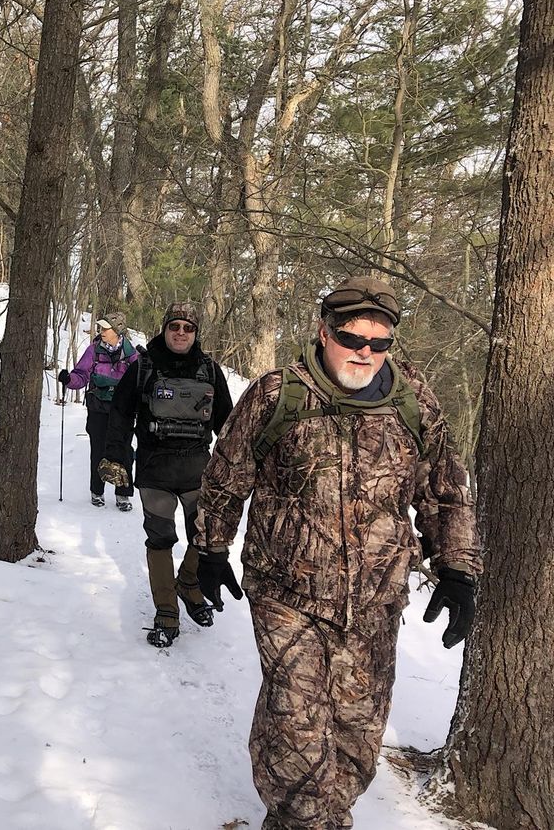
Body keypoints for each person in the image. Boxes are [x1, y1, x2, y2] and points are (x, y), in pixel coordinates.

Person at [192, 276, 482, 830]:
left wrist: (457, 569)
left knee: (356, 738)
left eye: (380, 343)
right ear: (324, 332)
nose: (365, 354)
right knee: (296, 734)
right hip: (287, 594)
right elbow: (226, 479)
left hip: (376, 600)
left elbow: (444, 490)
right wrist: (211, 549)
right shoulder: (278, 395)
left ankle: (316, 819)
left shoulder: (415, 401)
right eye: (352, 339)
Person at [97, 303, 233, 648]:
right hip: (155, 469)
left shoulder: (210, 371)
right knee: (160, 539)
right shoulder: (143, 367)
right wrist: (116, 456)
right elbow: (120, 413)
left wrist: (238, 465)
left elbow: (228, 425)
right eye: (175, 326)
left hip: (197, 471)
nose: (181, 333)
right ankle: (166, 611)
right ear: (165, 328)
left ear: (196, 332)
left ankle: (189, 582)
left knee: (203, 537)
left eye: (188, 327)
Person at [57, 313, 138, 510]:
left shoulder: (132, 355)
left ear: (117, 331)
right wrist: (69, 380)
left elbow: (140, 382)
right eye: (100, 328)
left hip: (123, 411)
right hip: (98, 409)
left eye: (105, 328)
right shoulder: (93, 351)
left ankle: (123, 495)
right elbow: (81, 375)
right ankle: (97, 491)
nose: (101, 331)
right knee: (99, 450)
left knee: (125, 451)